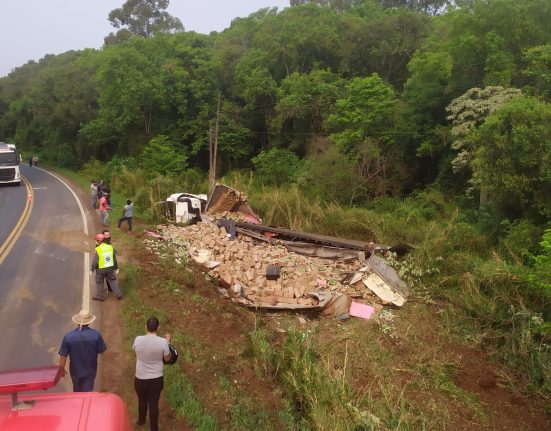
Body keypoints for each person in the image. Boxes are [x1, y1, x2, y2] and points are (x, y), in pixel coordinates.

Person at [133, 317, 171, 431]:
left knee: (142, 401)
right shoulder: (163, 342)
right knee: (153, 403)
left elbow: (136, 354)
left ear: (146, 327)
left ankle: (141, 420)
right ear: (158, 328)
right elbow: (167, 359)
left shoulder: (138, 339)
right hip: (156, 379)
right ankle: (154, 428)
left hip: (140, 378)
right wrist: (168, 343)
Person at [58, 309, 106, 392]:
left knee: (76, 390)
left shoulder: (68, 336)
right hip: (90, 371)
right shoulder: (96, 335)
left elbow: (63, 356)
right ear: (89, 322)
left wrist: (61, 369)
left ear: (77, 321)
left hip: (75, 371)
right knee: (86, 393)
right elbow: (101, 350)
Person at [91, 232, 122, 301]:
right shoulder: (110, 247)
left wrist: (92, 269)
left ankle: (100, 297)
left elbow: (95, 261)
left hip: (100, 270)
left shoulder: (98, 249)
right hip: (110, 268)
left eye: (97, 240)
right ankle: (118, 294)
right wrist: (116, 267)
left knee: (99, 282)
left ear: (99, 241)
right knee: (113, 281)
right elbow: (114, 258)